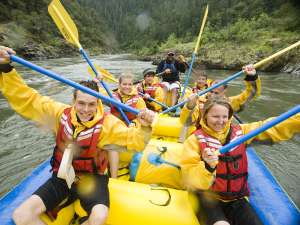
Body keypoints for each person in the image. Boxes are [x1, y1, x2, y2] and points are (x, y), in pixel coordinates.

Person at [0, 46, 156, 225]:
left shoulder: (107, 124)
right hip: (62, 178)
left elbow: (135, 141)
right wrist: (6, 68)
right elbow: (27, 98)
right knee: (21, 215)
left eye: (91, 104)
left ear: (97, 103)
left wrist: (144, 128)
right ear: (73, 101)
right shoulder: (59, 114)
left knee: (99, 218)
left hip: (93, 180)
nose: (86, 110)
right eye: (81, 103)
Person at [180, 95, 300, 225]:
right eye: (215, 116)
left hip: (236, 198)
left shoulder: (242, 133)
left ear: (229, 116)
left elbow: (272, 126)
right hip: (206, 197)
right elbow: (190, 177)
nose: (221, 121)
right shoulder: (194, 140)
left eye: (224, 117)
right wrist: (208, 166)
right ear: (205, 116)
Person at [180, 64, 261, 134]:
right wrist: (189, 107)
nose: (212, 95)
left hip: (222, 138)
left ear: (224, 92)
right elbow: (186, 123)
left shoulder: (230, 102)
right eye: (211, 91)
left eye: (216, 93)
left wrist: (252, 76)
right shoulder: (200, 102)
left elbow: (252, 93)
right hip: (203, 138)